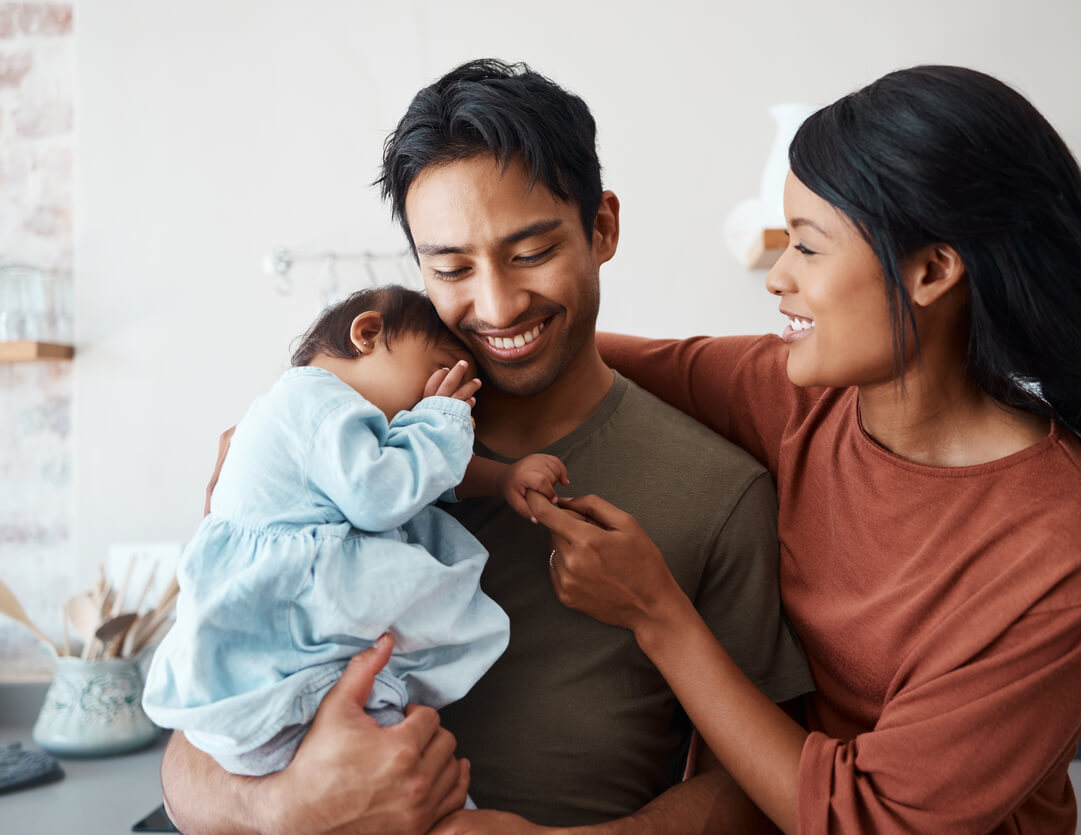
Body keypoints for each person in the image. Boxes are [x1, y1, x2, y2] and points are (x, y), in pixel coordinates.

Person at [531, 65, 1081, 833]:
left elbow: (871, 819)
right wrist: (427, 333)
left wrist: (657, 614)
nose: (778, 277)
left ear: (931, 270)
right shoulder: (800, 398)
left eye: (808, 248)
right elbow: (586, 358)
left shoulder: (1070, 542)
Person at [159, 59, 813, 833]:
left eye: (532, 252)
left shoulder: (715, 492)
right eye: (452, 267)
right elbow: (193, 739)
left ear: (601, 227)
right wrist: (282, 807)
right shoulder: (321, 449)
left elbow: (762, 793)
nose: (497, 305)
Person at [144, 284, 568, 780]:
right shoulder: (317, 403)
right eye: (441, 374)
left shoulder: (315, 419)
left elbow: (421, 476)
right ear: (368, 334)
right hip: (296, 663)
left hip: (280, 678)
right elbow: (383, 491)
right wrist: (439, 422)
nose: (446, 397)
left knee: (396, 778)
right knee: (403, 782)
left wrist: (500, 477)